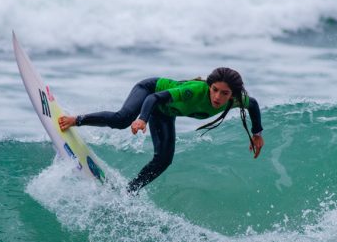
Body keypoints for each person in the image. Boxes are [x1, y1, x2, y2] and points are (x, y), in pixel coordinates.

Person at [58, 67, 264, 192]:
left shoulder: (237, 100)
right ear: (209, 86)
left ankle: (129, 191)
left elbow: (253, 105)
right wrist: (142, 119)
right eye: (215, 90)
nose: (218, 97)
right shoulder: (194, 91)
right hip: (151, 91)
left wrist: (257, 134)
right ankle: (76, 120)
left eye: (224, 93)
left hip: (165, 113)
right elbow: (153, 98)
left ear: (232, 94)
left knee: (164, 159)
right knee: (122, 120)